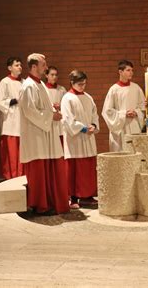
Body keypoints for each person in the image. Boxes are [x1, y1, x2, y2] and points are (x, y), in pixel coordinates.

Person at [19, 53, 69, 214]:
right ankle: (40, 205)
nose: (46, 67)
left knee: (47, 169)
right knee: (39, 171)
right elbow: (29, 111)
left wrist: (53, 111)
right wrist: (50, 116)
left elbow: (42, 109)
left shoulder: (39, 84)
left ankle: (48, 202)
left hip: (44, 132)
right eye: (43, 65)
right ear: (34, 66)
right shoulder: (28, 86)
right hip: (36, 136)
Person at [61, 70, 99, 209]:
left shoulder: (88, 97)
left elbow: (95, 114)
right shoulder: (67, 98)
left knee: (88, 168)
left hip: (88, 138)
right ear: (72, 82)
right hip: (75, 139)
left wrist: (93, 125)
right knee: (74, 168)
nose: (83, 86)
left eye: (84, 83)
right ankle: (74, 197)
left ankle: (88, 196)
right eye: (80, 84)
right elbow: (67, 119)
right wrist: (82, 128)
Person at [102, 60, 145, 151]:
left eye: (132, 70)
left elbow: (143, 106)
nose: (131, 73)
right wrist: (124, 114)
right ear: (120, 72)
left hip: (134, 127)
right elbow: (107, 111)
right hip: (120, 128)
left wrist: (136, 112)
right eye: (128, 70)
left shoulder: (136, 88)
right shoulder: (114, 89)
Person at [0, 57, 24, 179]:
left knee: (22, 153)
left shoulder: (24, 82)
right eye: (17, 65)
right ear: (9, 68)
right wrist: (15, 100)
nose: (20, 67)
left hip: (22, 121)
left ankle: (22, 175)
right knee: (11, 153)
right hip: (10, 122)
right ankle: (11, 176)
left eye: (20, 65)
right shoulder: (4, 82)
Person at [45, 66, 67, 142]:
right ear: (46, 75)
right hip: (49, 119)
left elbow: (66, 104)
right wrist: (52, 106)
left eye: (56, 75)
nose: (54, 77)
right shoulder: (43, 89)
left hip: (60, 120)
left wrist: (61, 106)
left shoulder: (62, 89)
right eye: (52, 74)